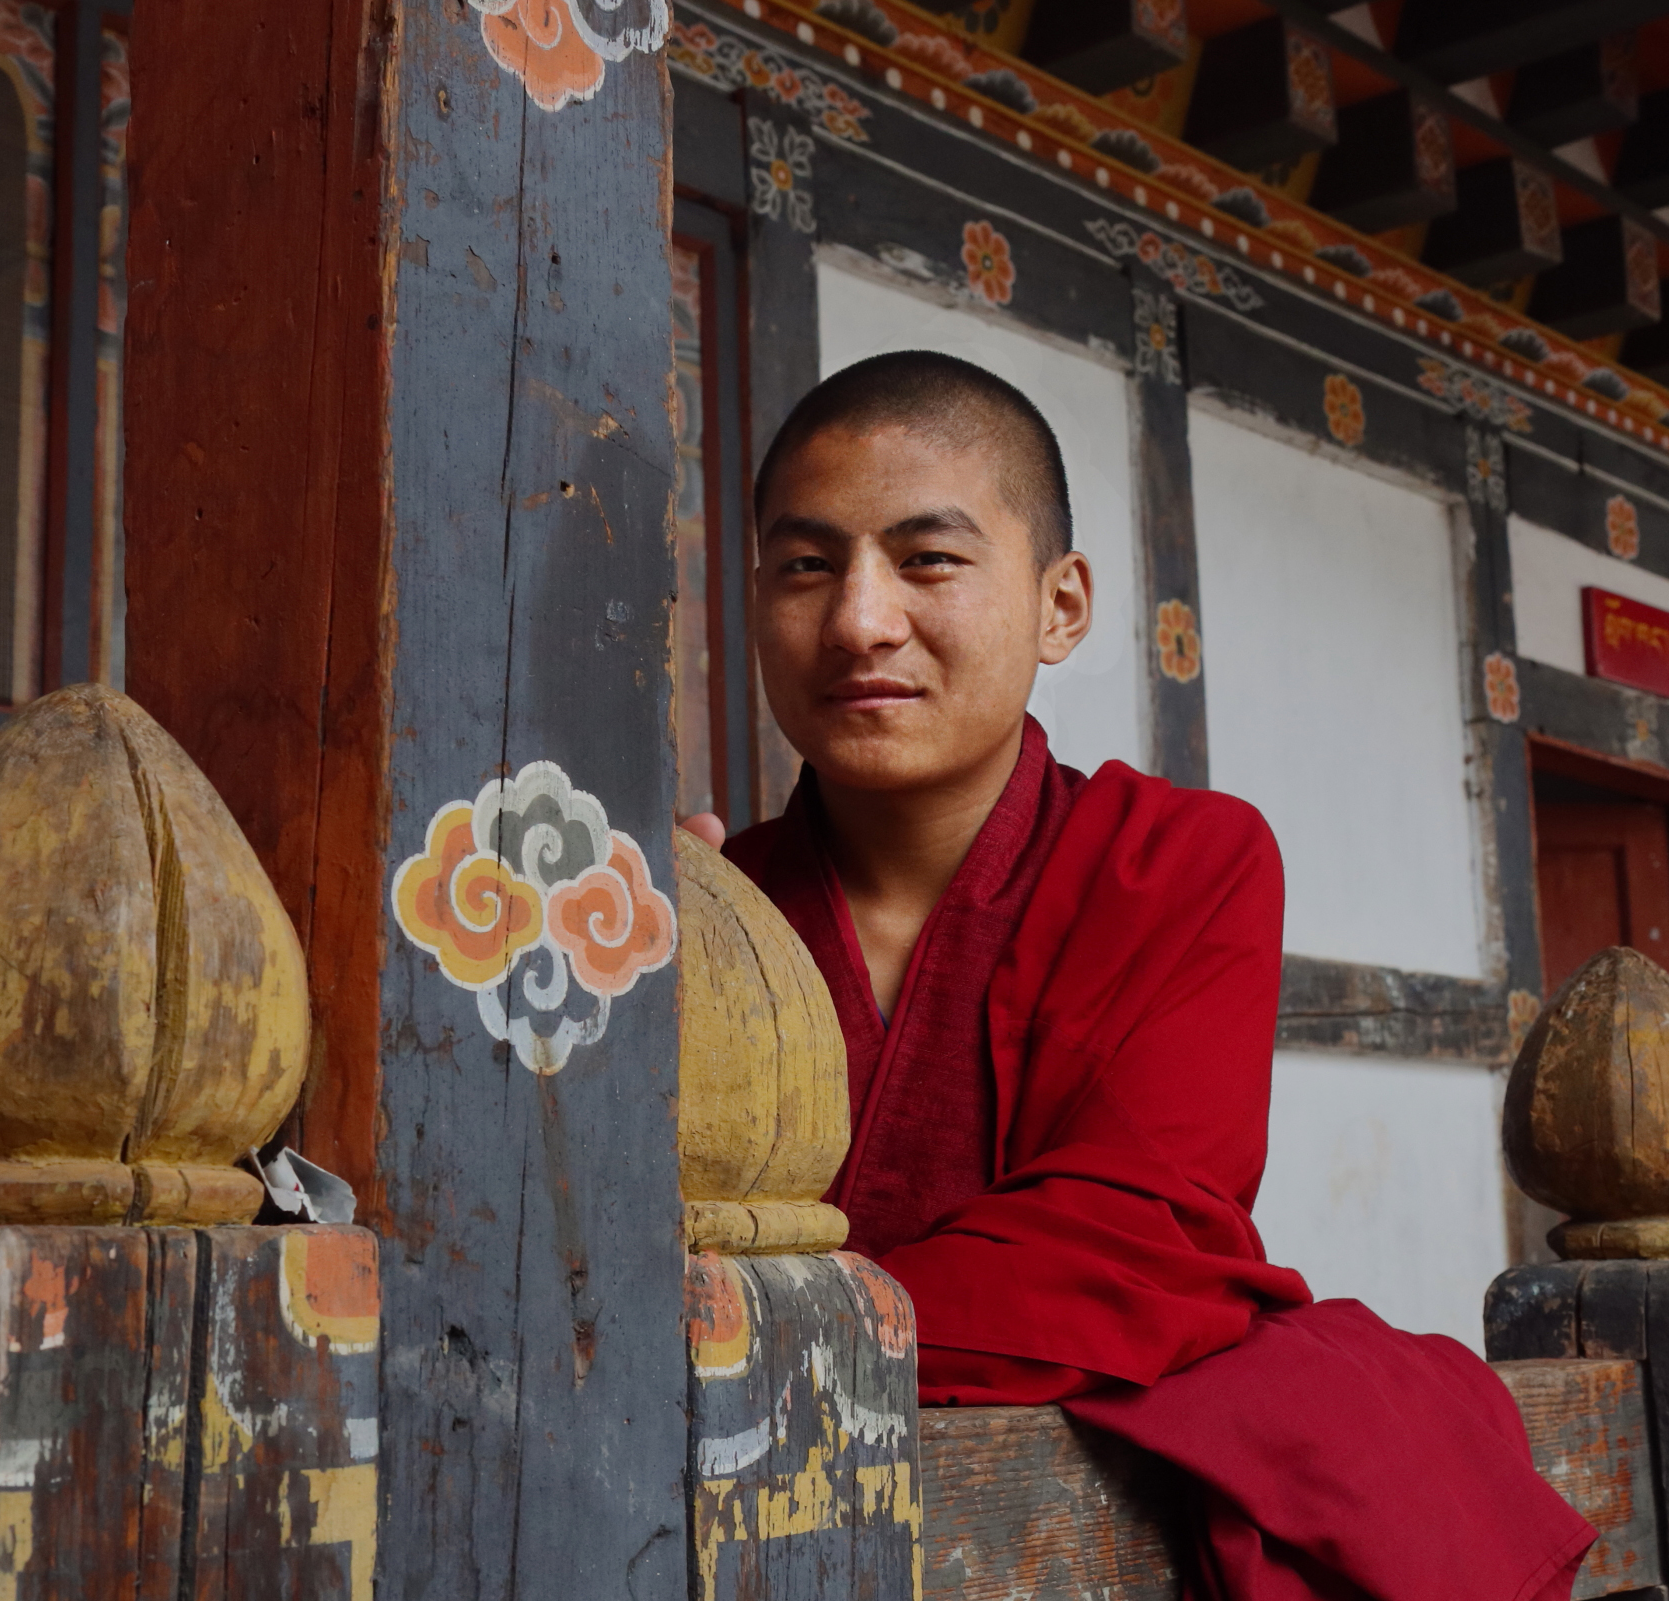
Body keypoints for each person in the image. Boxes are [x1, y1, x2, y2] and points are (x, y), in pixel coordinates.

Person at [680, 349, 1594, 1600]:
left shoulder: (1185, 863)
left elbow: (1138, 1243)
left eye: (927, 559)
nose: (858, 619)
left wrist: (731, 1330)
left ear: (1061, 605)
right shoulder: (700, 910)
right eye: (805, 565)